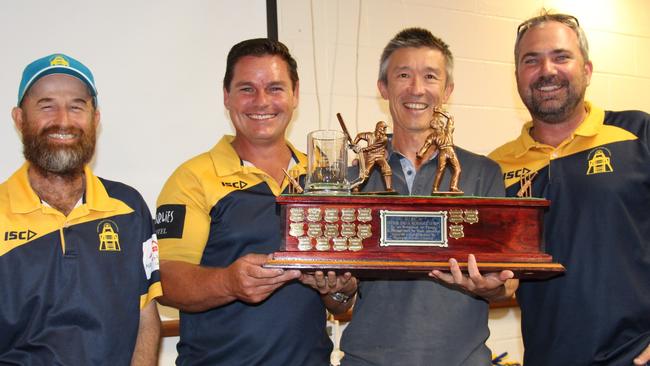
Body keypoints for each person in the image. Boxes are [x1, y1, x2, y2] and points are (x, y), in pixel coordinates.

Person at [154, 38, 357, 365]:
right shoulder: (192, 178)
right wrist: (228, 283)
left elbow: (340, 304)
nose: (261, 101)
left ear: (295, 95)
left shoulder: (326, 180)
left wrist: (337, 290)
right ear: (226, 96)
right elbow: (165, 280)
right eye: (247, 89)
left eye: (275, 88)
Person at [339, 27, 516, 366]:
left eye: (430, 76)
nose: (416, 89)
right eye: (403, 75)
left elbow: (508, 285)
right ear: (383, 88)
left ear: (447, 90)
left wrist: (489, 287)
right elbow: (339, 302)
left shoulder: (484, 173)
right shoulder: (353, 179)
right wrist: (335, 289)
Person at [489, 11, 650, 366]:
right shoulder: (495, 168)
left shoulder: (638, 134)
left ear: (587, 70)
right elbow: (504, 278)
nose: (547, 70)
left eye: (561, 56)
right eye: (531, 60)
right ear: (517, 76)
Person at [0, 53, 161, 364]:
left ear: (95, 119)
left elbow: (145, 314)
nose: (63, 120)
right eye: (46, 105)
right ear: (19, 119)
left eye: (76, 106)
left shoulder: (129, 208)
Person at [350, 120, 393, 191]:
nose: (384, 130)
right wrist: (354, 144)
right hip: (370, 156)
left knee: (387, 169)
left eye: (385, 129)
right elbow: (359, 135)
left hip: (380, 156)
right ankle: (356, 187)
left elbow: (373, 146)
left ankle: (389, 188)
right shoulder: (369, 135)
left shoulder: (384, 138)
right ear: (379, 128)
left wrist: (363, 149)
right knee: (365, 172)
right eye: (383, 128)